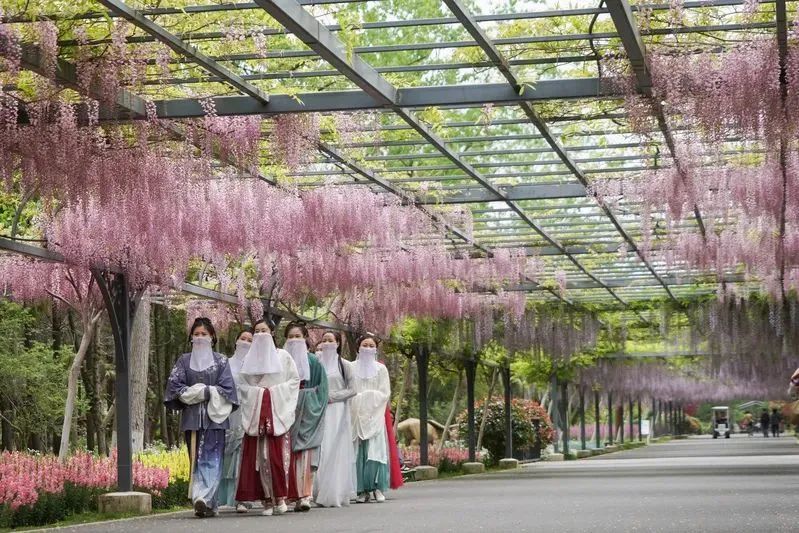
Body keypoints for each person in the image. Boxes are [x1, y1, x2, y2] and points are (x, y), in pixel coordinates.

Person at [164, 317, 238, 518]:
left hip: (215, 418)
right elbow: (174, 386)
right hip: (192, 419)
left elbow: (227, 389)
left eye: (204, 334)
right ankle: (209, 504)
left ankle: (202, 497)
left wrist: (207, 392)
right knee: (196, 458)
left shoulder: (221, 361)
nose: (200, 337)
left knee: (212, 459)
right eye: (196, 334)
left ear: (212, 337)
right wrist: (196, 393)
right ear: (191, 337)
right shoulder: (183, 361)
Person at [235, 318, 300, 516]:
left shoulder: (283, 356)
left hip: (277, 412)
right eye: (257, 331)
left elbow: (294, 381)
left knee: (277, 458)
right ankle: (266, 501)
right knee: (258, 459)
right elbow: (242, 385)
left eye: (264, 330)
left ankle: (281, 497)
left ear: (272, 333)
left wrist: (271, 394)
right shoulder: (248, 359)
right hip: (256, 416)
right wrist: (260, 394)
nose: (260, 334)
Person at [284, 321, 328, 512]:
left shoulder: (314, 362)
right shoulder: (280, 360)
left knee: (307, 455)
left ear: (305, 339)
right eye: (290, 337)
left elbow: (323, 390)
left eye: (298, 337)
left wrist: (308, 402)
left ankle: (305, 495)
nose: (294, 340)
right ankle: (287, 494)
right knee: (286, 453)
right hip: (286, 411)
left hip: (309, 413)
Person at [313, 331, 357, 507]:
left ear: (338, 343)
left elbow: (353, 389)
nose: (327, 343)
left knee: (335, 449)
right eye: (324, 340)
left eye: (330, 340)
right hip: (319, 409)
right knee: (321, 449)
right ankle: (317, 490)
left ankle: (335, 492)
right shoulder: (316, 363)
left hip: (337, 411)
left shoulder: (345, 365)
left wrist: (333, 396)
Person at [351, 333, 391, 503]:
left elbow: (385, 393)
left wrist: (367, 397)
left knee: (376, 450)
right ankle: (361, 490)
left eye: (371, 346)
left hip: (375, 414)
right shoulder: (351, 367)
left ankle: (377, 487)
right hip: (356, 414)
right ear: (358, 348)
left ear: (376, 349)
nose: (367, 348)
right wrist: (359, 400)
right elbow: (350, 390)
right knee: (358, 452)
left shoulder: (381, 369)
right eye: (364, 345)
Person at [218, 328, 252, 512]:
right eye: (242, 338)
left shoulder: (257, 365)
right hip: (228, 411)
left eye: (249, 340)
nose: (245, 342)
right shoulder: (226, 363)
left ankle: (242, 497)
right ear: (236, 341)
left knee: (244, 451)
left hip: (249, 411)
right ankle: (222, 497)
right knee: (227, 451)